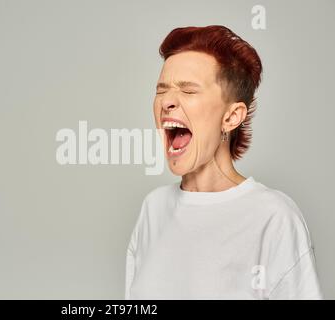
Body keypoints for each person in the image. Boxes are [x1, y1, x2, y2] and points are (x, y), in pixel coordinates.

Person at [125, 25, 323, 300]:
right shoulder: (153, 209)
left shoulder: (273, 218)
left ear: (231, 117)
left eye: (188, 90)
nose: (167, 102)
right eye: (162, 90)